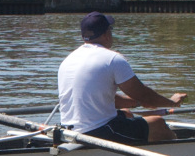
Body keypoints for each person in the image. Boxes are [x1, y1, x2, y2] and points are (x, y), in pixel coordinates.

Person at [56, 12, 185, 144]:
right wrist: (171, 103)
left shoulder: (68, 60)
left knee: (126, 113)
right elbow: (144, 95)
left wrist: (138, 103)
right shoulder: (112, 59)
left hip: (68, 132)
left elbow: (108, 98)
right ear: (107, 34)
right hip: (96, 133)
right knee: (158, 123)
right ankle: (183, 152)